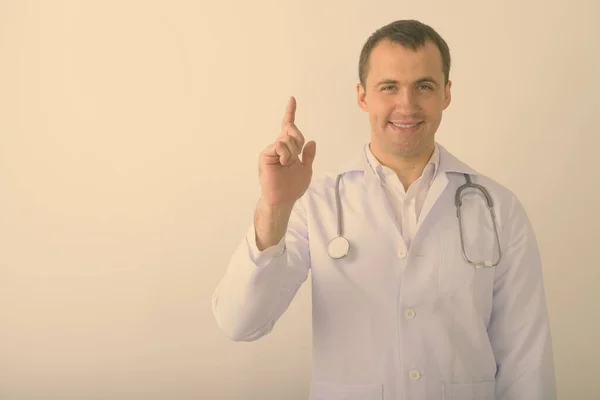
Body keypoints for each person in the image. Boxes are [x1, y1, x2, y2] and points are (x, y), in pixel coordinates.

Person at [212, 19, 557, 400]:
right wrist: (274, 207)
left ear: (446, 94)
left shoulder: (498, 208)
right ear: (363, 96)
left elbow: (526, 362)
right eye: (389, 87)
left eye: (423, 86)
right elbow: (239, 322)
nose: (406, 105)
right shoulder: (316, 201)